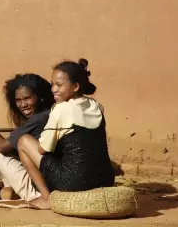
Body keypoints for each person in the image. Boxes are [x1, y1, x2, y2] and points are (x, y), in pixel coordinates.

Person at [18, 59, 115, 210]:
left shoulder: (61, 109)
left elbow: (43, 149)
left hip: (74, 181)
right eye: (52, 84)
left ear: (75, 86)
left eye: (59, 85)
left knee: (23, 141)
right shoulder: (97, 106)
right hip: (106, 178)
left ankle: (46, 198)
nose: (53, 90)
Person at [0, 74, 54, 201]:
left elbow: (2, 146)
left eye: (27, 98)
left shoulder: (39, 118)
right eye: (18, 100)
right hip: (45, 178)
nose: (23, 104)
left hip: (42, 185)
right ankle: (6, 190)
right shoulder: (46, 115)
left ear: (39, 97)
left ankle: (2, 190)